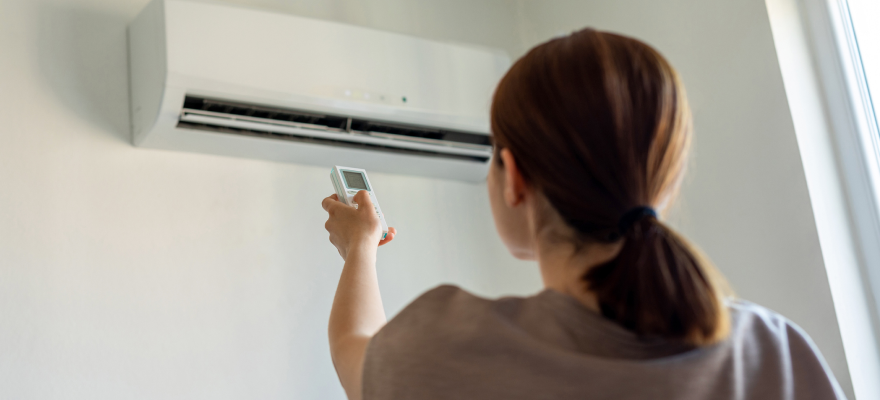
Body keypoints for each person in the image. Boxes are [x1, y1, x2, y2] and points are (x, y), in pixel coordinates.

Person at [320, 28, 845, 400]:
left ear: (515, 177)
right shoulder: (773, 352)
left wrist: (359, 248)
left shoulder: (448, 349)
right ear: (664, 176)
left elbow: (352, 353)